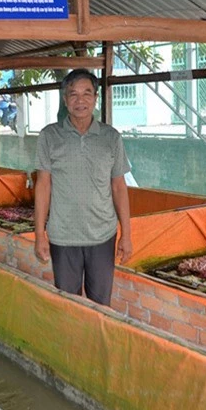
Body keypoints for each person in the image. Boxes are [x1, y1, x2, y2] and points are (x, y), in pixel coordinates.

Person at [34, 69, 132, 306]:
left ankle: (96, 345)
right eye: (73, 94)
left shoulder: (111, 137)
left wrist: (127, 235)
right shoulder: (49, 136)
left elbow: (119, 187)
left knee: (101, 306)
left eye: (87, 93)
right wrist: (39, 234)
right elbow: (43, 185)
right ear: (65, 100)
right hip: (63, 236)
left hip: (102, 235)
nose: (80, 100)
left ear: (96, 98)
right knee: (68, 306)